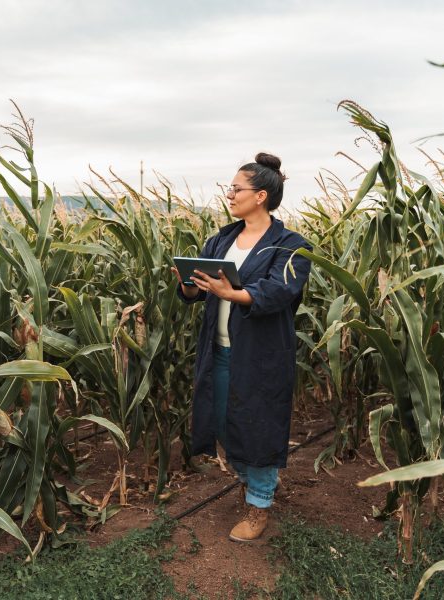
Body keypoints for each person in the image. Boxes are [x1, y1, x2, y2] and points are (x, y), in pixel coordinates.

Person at [171, 152, 312, 542]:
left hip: (260, 355)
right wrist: (188, 283)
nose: (230, 194)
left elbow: (279, 291)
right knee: (224, 423)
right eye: (229, 188)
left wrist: (233, 293)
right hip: (217, 349)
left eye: (236, 188)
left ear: (261, 195)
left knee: (258, 428)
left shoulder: (290, 246)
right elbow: (198, 293)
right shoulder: (222, 238)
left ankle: (259, 503)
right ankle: (258, 486)